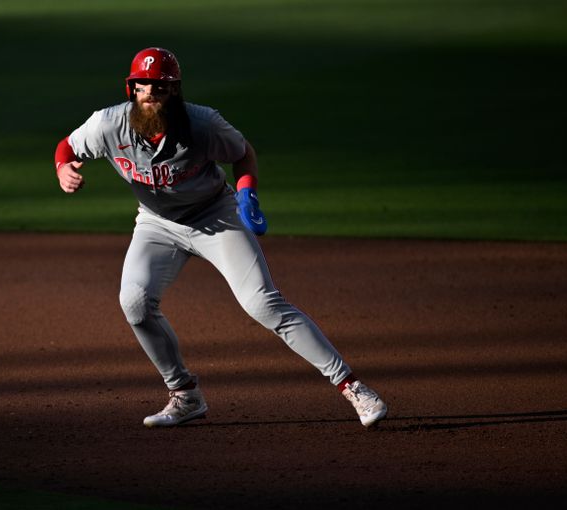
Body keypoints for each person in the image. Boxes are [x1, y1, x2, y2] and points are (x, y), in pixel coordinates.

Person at [54, 47, 387, 428]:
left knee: (263, 304)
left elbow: (243, 155)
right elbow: (67, 146)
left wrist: (247, 194)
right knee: (134, 302)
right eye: (142, 86)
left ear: (174, 90)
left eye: (159, 88)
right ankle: (184, 395)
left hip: (215, 215)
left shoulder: (202, 124)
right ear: (131, 89)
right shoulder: (107, 124)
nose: (150, 94)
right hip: (157, 223)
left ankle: (352, 387)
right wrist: (63, 169)